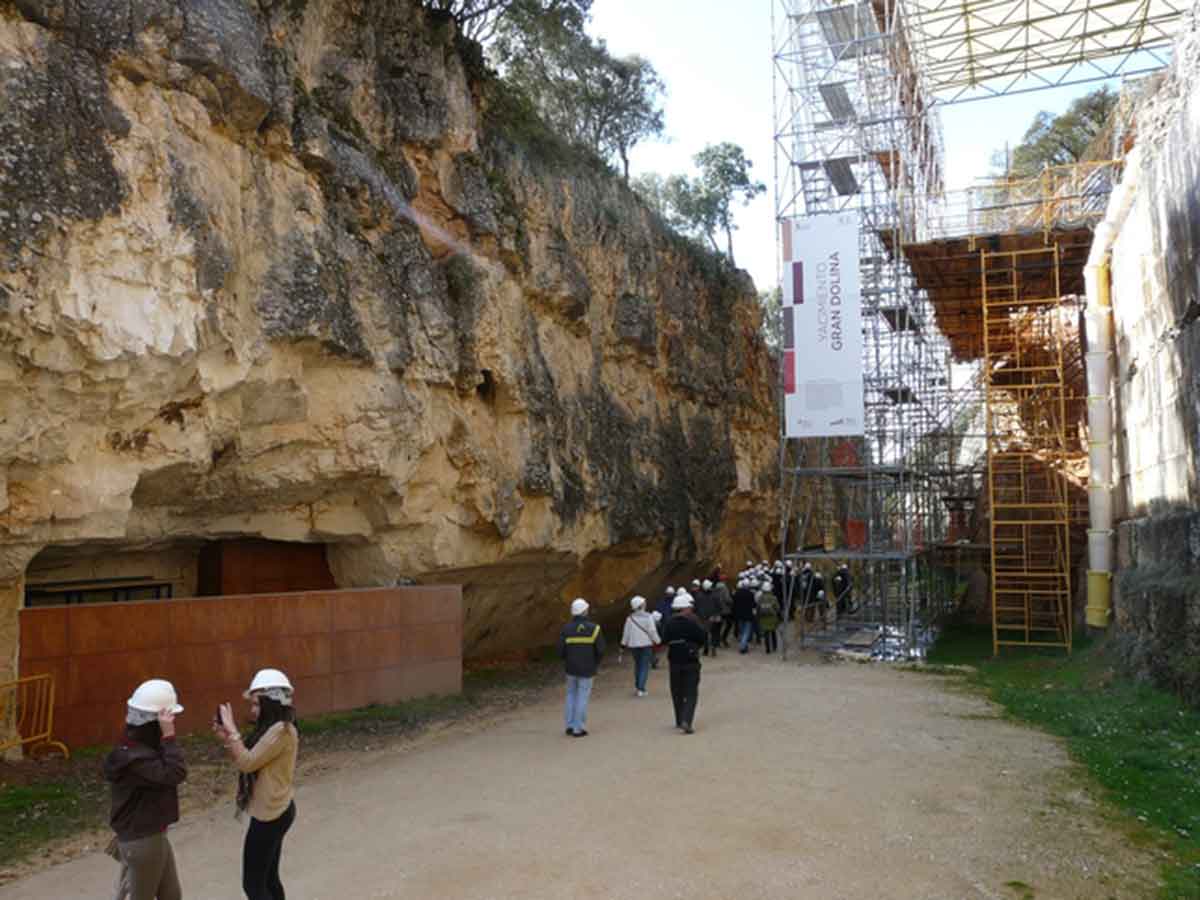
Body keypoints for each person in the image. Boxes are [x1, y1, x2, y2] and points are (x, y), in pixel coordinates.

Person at [214, 669, 300, 900]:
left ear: (272, 702)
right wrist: (228, 740)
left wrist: (232, 732)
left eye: (256, 704)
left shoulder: (282, 731)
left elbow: (247, 762)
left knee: (252, 885)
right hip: (273, 810)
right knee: (268, 879)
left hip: (271, 816)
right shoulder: (272, 728)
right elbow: (249, 756)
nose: (252, 710)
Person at [104, 679, 187, 900]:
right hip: (143, 841)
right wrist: (169, 736)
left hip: (152, 835)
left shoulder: (138, 750)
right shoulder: (136, 759)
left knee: (171, 896)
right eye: (168, 720)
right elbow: (175, 773)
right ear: (154, 723)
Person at [661, 592, 708, 734]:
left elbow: (664, 639)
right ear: (685, 608)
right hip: (691, 659)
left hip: (674, 660)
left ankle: (679, 719)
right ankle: (686, 720)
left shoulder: (669, 622)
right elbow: (702, 637)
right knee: (691, 692)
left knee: (677, 691)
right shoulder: (692, 622)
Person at [557, 598, 605, 736]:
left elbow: (560, 650)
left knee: (571, 695)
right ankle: (579, 728)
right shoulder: (594, 628)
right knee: (582, 696)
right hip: (588, 668)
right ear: (585, 611)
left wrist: (567, 660)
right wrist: (595, 662)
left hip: (571, 668)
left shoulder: (566, 629)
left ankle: (570, 725)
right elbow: (601, 650)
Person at [620, 595, 660, 696]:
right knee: (644, 666)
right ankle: (641, 688)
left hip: (633, 645)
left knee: (638, 665)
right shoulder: (648, 617)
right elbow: (652, 631)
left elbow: (626, 633)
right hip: (646, 644)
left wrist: (623, 645)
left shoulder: (630, 618)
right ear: (641, 605)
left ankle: (638, 686)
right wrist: (658, 640)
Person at [693, 579, 721, 657]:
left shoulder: (698, 596)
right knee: (714, 633)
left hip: (702, 618)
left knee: (705, 634)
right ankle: (713, 647)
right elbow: (719, 606)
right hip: (713, 617)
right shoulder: (715, 595)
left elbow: (695, 607)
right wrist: (717, 613)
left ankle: (706, 649)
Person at [731, 579, 758, 653]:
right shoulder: (750, 594)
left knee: (742, 631)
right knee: (746, 632)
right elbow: (754, 605)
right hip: (748, 615)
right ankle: (742, 647)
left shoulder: (737, 593)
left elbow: (734, 605)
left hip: (739, 615)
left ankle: (744, 646)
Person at [757, 580, 780, 654]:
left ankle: (768, 649)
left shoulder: (760, 598)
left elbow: (758, 607)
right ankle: (774, 646)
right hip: (772, 617)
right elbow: (777, 608)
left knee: (766, 633)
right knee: (773, 632)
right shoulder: (773, 597)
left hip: (763, 617)